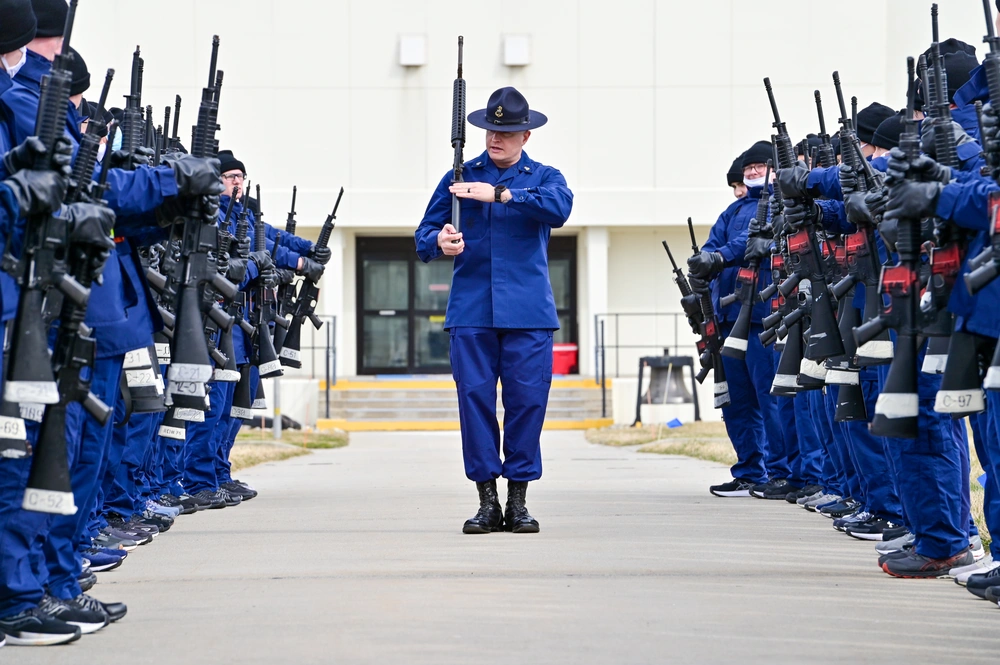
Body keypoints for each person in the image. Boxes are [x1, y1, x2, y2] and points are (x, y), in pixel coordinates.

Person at [415, 86, 572, 534]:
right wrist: (438, 242)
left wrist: (502, 195)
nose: (494, 138)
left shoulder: (544, 177)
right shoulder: (459, 178)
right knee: (475, 403)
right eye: (489, 130)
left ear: (526, 135)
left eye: (505, 132)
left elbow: (560, 209)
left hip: (527, 314)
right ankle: (487, 502)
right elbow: (425, 234)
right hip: (472, 311)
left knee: (527, 404)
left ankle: (518, 501)